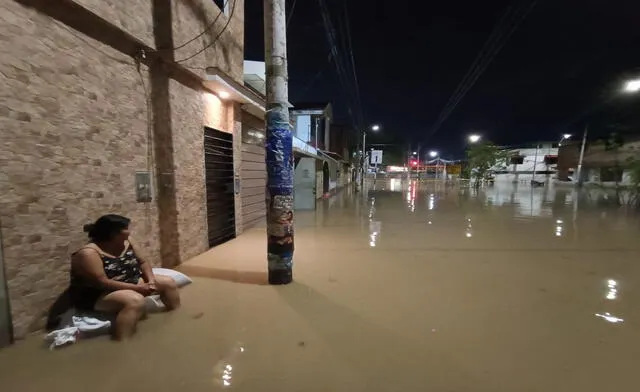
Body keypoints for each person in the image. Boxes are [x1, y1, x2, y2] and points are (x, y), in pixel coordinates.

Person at [69, 214, 180, 340]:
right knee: (135, 300)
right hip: (101, 293)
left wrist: (151, 282)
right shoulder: (89, 253)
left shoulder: (128, 242)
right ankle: (123, 341)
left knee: (168, 283)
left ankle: (175, 318)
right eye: (126, 228)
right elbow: (102, 282)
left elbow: (143, 262)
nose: (129, 231)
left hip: (131, 280)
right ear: (113, 233)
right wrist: (138, 289)